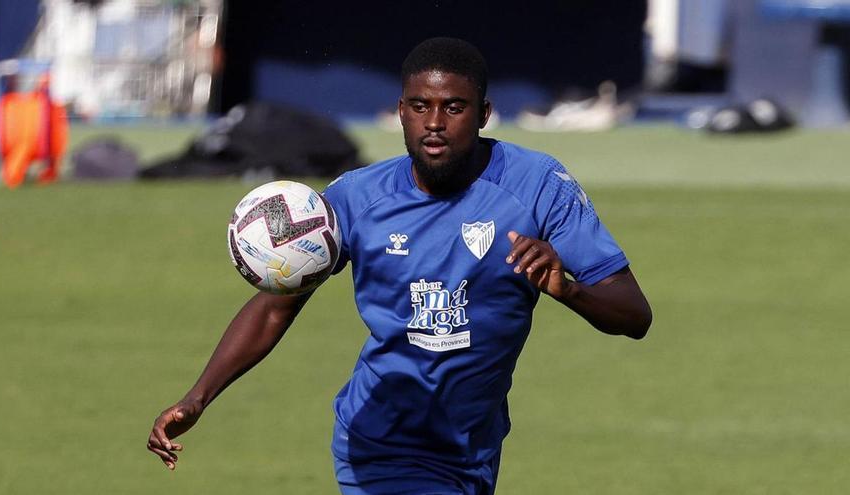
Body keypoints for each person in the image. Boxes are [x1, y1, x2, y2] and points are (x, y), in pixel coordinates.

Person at [147, 37, 652, 494]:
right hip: (382, 444)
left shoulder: (537, 186)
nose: (434, 123)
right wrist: (198, 397)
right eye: (419, 107)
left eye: (453, 107)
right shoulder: (355, 198)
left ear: (484, 114)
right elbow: (275, 307)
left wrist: (569, 289)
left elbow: (634, 315)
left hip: (473, 447)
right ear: (400, 111)